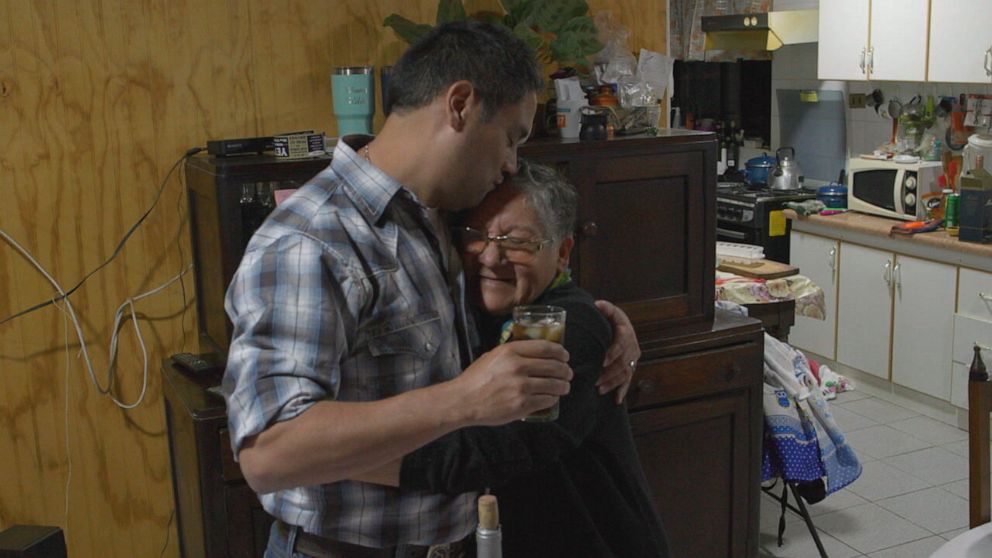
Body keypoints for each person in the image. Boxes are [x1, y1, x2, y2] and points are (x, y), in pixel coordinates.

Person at [222, 20, 641, 558]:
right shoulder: (313, 240)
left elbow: (521, 274)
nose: (512, 162)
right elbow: (268, 454)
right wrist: (463, 400)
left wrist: (604, 322)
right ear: (460, 105)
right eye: (512, 137)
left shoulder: (441, 219)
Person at [357, 161, 670, 557]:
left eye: (517, 242)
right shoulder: (466, 312)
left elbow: (498, 449)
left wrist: (338, 457)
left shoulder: (565, 324)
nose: (490, 257)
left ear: (562, 253)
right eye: (475, 235)